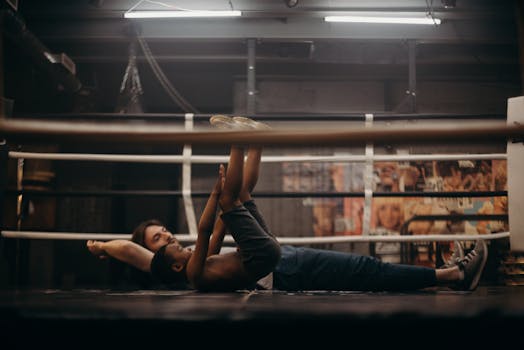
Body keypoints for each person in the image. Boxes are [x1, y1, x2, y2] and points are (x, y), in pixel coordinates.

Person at [87, 115, 489, 293]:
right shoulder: (183, 270)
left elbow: (218, 221)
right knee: (367, 270)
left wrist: (221, 198)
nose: (171, 235)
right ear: (159, 258)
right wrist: (105, 247)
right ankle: (450, 277)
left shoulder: (195, 260)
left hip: (272, 262)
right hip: (279, 268)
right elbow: (136, 249)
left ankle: (255, 137)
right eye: (161, 238)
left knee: (239, 196)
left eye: (166, 232)